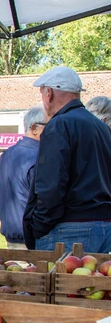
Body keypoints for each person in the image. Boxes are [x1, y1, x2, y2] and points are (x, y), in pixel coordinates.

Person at [24, 66, 111, 252]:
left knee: (59, 282)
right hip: (103, 224)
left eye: (42, 94)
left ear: (49, 93)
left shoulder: (59, 125)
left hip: (70, 226)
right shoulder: (101, 127)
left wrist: (39, 225)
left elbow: (50, 184)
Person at [0, 107, 45, 249]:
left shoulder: (7, 154)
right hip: (31, 236)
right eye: (50, 126)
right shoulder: (39, 155)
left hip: (13, 233)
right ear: (34, 128)